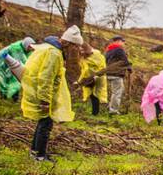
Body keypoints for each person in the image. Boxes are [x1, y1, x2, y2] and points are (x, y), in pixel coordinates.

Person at [20, 27, 82, 161]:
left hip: (39, 91)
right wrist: (44, 100)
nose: (77, 50)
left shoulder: (52, 50)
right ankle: (40, 156)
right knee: (46, 124)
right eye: (75, 46)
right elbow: (46, 77)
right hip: (41, 92)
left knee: (43, 122)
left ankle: (35, 152)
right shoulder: (54, 54)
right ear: (68, 43)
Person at [76, 41, 107, 116]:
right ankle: (95, 112)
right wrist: (80, 80)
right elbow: (84, 70)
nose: (81, 52)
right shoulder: (83, 57)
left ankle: (96, 113)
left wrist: (96, 75)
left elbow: (101, 66)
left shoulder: (96, 54)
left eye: (83, 50)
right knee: (92, 94)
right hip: (89, 78)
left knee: (95, 94)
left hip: (97, 77)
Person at [104, 36, 132, 114]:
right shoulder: (119, 49)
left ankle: (110, 107)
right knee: (117, 93)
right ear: (118, 41)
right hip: (116, 74)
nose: (123, 43)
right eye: (122, 41)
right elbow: (125, 60)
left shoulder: (109, 50)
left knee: (116, 91)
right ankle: (113, 110)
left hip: (109, 73)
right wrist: (129, 68)